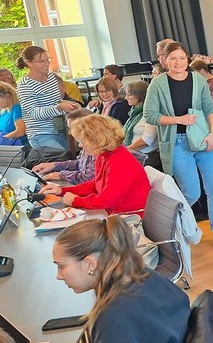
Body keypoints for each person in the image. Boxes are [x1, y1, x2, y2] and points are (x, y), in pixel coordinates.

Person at [144, 41, 213, 249]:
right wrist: (179, 120)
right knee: (191, 192)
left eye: (182, 58)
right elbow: (150, 115)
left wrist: (212, 133)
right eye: (173, 58)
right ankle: (174, 226)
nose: (178, 62)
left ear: (187, 59)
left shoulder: (198, 79)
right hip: (177, 142)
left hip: (203, 138)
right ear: (165, 61)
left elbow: (209, 107)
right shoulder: (157, 84)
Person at [53, 215, 190, 342]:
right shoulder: (148, 276)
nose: (58, 276)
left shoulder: (114, 319)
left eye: (61, 266)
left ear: (90, 264)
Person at [40, 114, 150, 214]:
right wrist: (62, 191)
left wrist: (75, 201)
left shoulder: (120, 161)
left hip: (129, 217)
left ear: (96, 140)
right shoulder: (103, 154)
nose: (80, 145)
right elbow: (96, 184)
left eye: (82, 141)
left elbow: (107, 200)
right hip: (114, 213)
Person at [16, 45, 79, 149]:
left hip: (60, 129)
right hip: (41, 134)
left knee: (68, 161)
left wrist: (69, 105)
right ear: (29, 62)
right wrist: (59, 108)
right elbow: (33, 113)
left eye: (48, 59)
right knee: (60, 162)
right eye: (41, 61)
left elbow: (56, 101)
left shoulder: (51, 78)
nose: (47, 64)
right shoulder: (24, 85)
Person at [32, 108, 95, 184]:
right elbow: (81, 164)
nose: (70, 133)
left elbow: (88, 178)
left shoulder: (98, 148)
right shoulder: (87, 143)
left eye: (72, 129)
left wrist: (61, 175)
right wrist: (54, 165)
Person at [123, 81, 158, 154]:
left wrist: (124, 151)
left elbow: (146, 141)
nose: (126, 98)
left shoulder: (150, 113)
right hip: (133, 152)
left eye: (129, 95)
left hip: (145, 155)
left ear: (140, 96)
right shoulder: (134, 113)